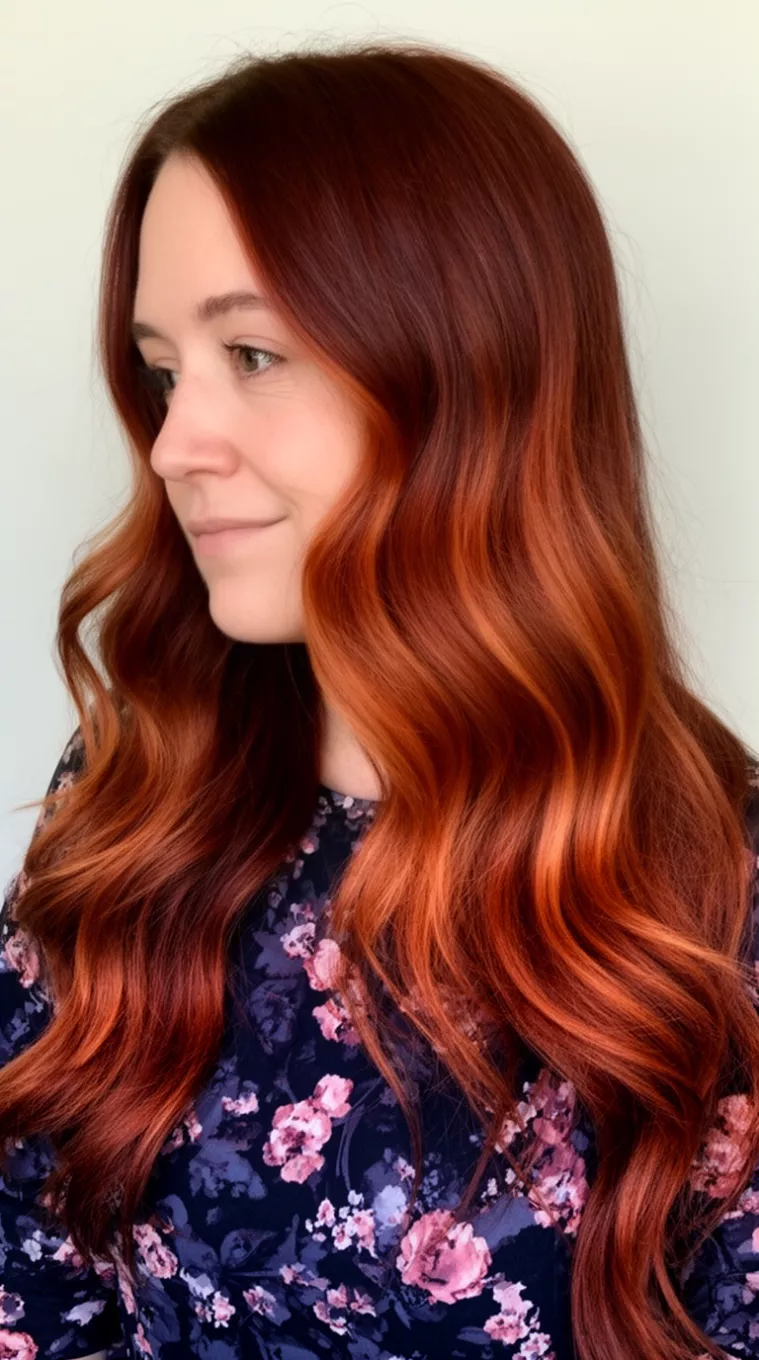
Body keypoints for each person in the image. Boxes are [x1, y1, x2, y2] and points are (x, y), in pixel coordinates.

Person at [1, 39, 758, 1360]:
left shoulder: (707, 888)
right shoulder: (138, 793)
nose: (174, 442)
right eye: (164, 369)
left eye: (252, 354)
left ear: (462, 378)